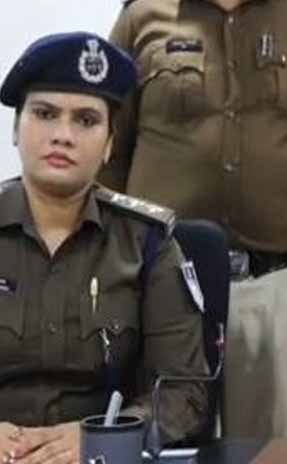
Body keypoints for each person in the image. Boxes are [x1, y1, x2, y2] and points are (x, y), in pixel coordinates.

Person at [101, 0, 287, 438]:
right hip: (164, 288)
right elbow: (110, 143)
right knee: (160, 438)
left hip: (269, 284)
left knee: (272, 450)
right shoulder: (142, 17)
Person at [0, 32, 208, 462]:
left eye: (86, 120)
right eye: (45, 114)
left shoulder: (148, 244)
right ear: (16, 129)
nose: (63, 135)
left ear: (110, 143)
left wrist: (106, 438)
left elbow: (184, 393)